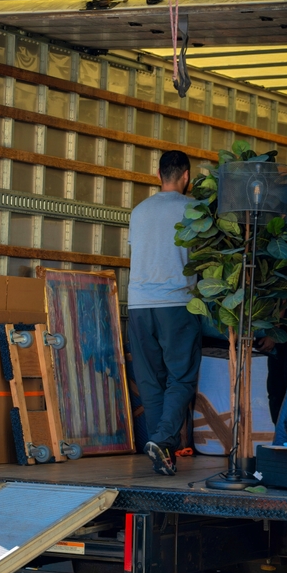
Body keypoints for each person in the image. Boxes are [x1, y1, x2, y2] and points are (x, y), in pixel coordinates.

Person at [127, 150, 202, 476]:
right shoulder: (195, 210)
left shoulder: (139, 211)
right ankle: (161, 438)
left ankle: (162, 454)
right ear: (186, 176)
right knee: (181, 378)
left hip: (139, 306)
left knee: (150, 382)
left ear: (159, 175)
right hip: (176, 304)